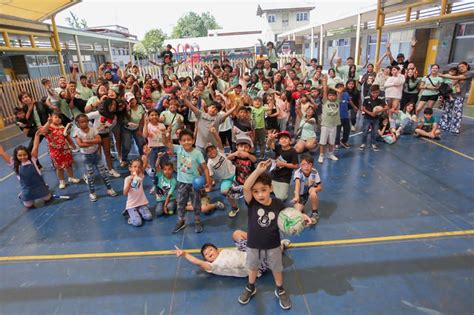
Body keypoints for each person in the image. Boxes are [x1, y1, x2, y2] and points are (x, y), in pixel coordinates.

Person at [238, 159, 311, 309]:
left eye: (263, 190)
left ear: (270, 188)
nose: (260, 194)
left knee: (276, 268)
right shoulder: (252, 203)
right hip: (253, 244)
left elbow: (288, 215)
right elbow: (246, 187)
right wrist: (258, 171)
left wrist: (301, 217)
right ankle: (251, 287)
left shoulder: (277, 203)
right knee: (252, 267)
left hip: (273, 245)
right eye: (256, 191)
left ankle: (280, 289)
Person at [175, 230, 290, 278]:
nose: (209, 252)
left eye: (210, 249)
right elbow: (198, 262)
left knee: (237, 233)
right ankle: (280, 246)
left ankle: (263, 243)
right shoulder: (212, 266)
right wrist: (184, 254)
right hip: (255, 266)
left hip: (246, 251)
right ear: (207, 260)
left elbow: (221, 249)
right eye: (206, 254)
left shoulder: (222, 252)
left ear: (217, 249)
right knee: (274, 250)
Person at [167, 129, 212, 234]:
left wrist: (208, 180)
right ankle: (181, 220)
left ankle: (197, 220)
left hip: (194, 184)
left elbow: (205, 168)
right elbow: (166, 142)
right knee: (181, 203)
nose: (186, 142)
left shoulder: (197, 153)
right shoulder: (178, 149)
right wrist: (166, 134)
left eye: (189, 140)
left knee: (196, 203)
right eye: (184, 140)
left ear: (193, 140)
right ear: (180, 142)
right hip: (182, 183)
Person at [0, 131, 52, 208]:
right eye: (19, 155)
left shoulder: (32, 159)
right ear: (16, 156)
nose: (23, 157)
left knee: (47, 199)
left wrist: (37, 135)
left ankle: (45, 187)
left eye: (25, 154)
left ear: (28, 154)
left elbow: (35, 145)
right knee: (29, 206)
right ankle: (22, 195)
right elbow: (2, 153)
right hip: (27, 190)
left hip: (39, 186)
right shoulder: (13, 163)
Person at [74, 114, 118, 202]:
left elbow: (99, 140)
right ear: (77, 123)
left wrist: (86, 141)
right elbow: (80, 144)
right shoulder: (77, 132)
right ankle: (92, 192)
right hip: (86, 156)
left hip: (96, 154)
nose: (84, 123)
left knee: (103, 172)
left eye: (86, 121)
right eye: (81, 122)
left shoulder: (93, 129)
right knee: (90, 175)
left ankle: (109, 189)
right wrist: (92, 142)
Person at [42, 113, 81, 189]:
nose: (58, 119)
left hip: (65, 149)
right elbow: (43, 131)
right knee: (59, 167)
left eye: (59, 118)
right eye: (55, 117)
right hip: (55, 151)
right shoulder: (49, 128)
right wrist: (48, 122)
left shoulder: (63, 127)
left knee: (69, 164)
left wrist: (73, 145)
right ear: (51, 118)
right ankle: (62, 181)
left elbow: (67, 137)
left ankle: (71, 177)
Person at [122, 146, 153, 227]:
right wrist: (130, 182)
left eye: (139, 167)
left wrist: (146, 154)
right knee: (137, 223)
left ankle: (138, 211)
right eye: (135, 167)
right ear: (130, 168)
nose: (137, 168)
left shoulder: (140, 176)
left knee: (148, 217)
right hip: (131, 204)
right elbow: (125, 193)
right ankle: (129, 214)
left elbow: (145, 164)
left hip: (141, 203)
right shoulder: (127, 179)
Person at [226, 137, 256, 218]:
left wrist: (248, 155)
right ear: (237, 147)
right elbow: (228, 158)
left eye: (246, 147)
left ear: (250, 149)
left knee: (252, 198)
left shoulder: (251, 156)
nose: (243, 149)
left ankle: (254, 209)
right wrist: (234, 154)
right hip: (238, 180)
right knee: (230, 195)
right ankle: (234, 208)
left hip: (251, 183)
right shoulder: (235, 156)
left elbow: (254, 159)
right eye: (241, 146)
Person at [266, 130, 299, 201]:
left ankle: (284, 194)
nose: (283, 140)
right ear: (279, 141)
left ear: (290, 141)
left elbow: (296, 166)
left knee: (280, 198)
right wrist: (270, 139)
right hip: (273, 175)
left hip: (284, 178)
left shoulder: (293, 151)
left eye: (286, 138)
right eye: (281, 138)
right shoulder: (278, 147)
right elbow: (269, 144)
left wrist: (284, 164)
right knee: (268, 194)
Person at [292, 154, 322, 224]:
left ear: (312, 165)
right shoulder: (298, 173)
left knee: (313, 192)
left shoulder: (315, 172)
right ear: (300, 165)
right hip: (301, 193)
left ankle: (314, 212)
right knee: (297, 213)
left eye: (309, 164)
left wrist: (315, 189)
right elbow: (297, 185)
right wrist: (296, 196)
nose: (306, 167)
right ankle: (302, 210)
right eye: (303, 164)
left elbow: (320, 187)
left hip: (311, 188)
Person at [318, 75, 341, 163]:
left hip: (334, 125)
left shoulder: (337, 101)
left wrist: (333, 88)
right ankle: (321, 155)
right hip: (325, 125)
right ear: (327, 96)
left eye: (333, 95)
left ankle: (331, 154)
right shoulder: (325, 101)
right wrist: (325, 83)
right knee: (323, 141)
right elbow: (324, 91)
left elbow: (340, 91)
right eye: (329, 95)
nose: (331, 97)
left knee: (332, 141)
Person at [121, 92, 145, 166]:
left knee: (141, 143)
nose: (132, 101)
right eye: (129, 100)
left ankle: (143, 157)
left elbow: (142, 119)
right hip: (127, 129)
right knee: (126, 145)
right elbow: (124, 120)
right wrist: (127, 110)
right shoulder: (124, 109)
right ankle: (124, 159)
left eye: (132, 99)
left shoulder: (141, 107)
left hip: (137, 127)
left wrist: (140, 129)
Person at [360, 85, 386, 151]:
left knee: (374, 132)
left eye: (376, 92)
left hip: (376, 118)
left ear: (379, 92)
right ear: (370, 92)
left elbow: (387, 107)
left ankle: (373, 143)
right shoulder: (366, 98)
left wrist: (379, 111)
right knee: (365, 131)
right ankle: (363, 143)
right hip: (367, 118)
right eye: (373, 93)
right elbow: (363, 108)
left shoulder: (380, 98)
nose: (375, 94)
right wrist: (370, 113)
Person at [335, 82, 351, 149]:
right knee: (337, 131)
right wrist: (339, 94)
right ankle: (337, 143)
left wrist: (355, 107)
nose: (341, 89)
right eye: (339, 88)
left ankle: (344, 141)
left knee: (347, 129)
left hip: (345, 116)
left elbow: (349, 101)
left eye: (342, 87)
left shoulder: (346, 94)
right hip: (337, 117)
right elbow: (338, 101)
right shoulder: (334, 96)